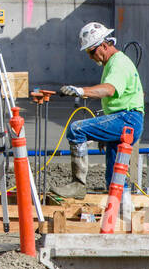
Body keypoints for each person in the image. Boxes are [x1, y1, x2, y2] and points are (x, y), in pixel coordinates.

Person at [58, 21, 144, 193]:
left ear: (104, 45)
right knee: (114, 182)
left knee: (77, 130)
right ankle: (122, 208)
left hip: (126, 120)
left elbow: (109, 89)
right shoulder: (114, 63)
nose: (91, 57)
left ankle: (78, 185)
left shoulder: (118, 63)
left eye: (92, 52)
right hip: (127, 120)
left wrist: (81, 91)